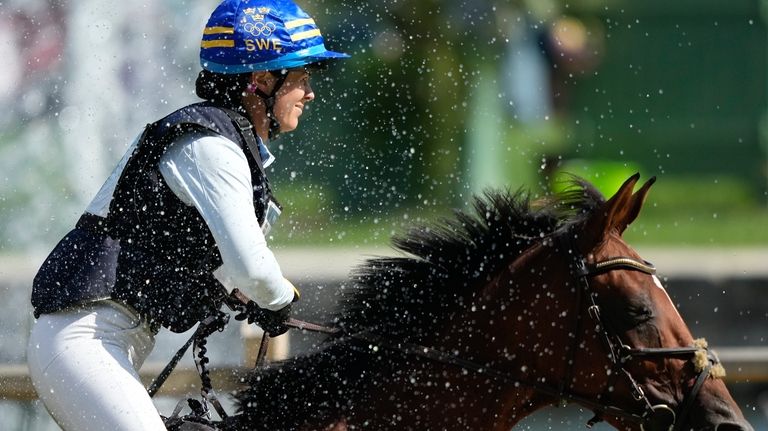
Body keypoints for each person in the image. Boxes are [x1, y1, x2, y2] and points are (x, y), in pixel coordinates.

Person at [26, 0, 348, 429]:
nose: (309, 93)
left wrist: (246, 295)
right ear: (262, 79)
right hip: (81, 343)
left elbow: (225, 271)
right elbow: (253, 269)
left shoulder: (222, 142)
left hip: (99, 344)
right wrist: (278, 299)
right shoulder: (211, 146)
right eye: (302, 78)